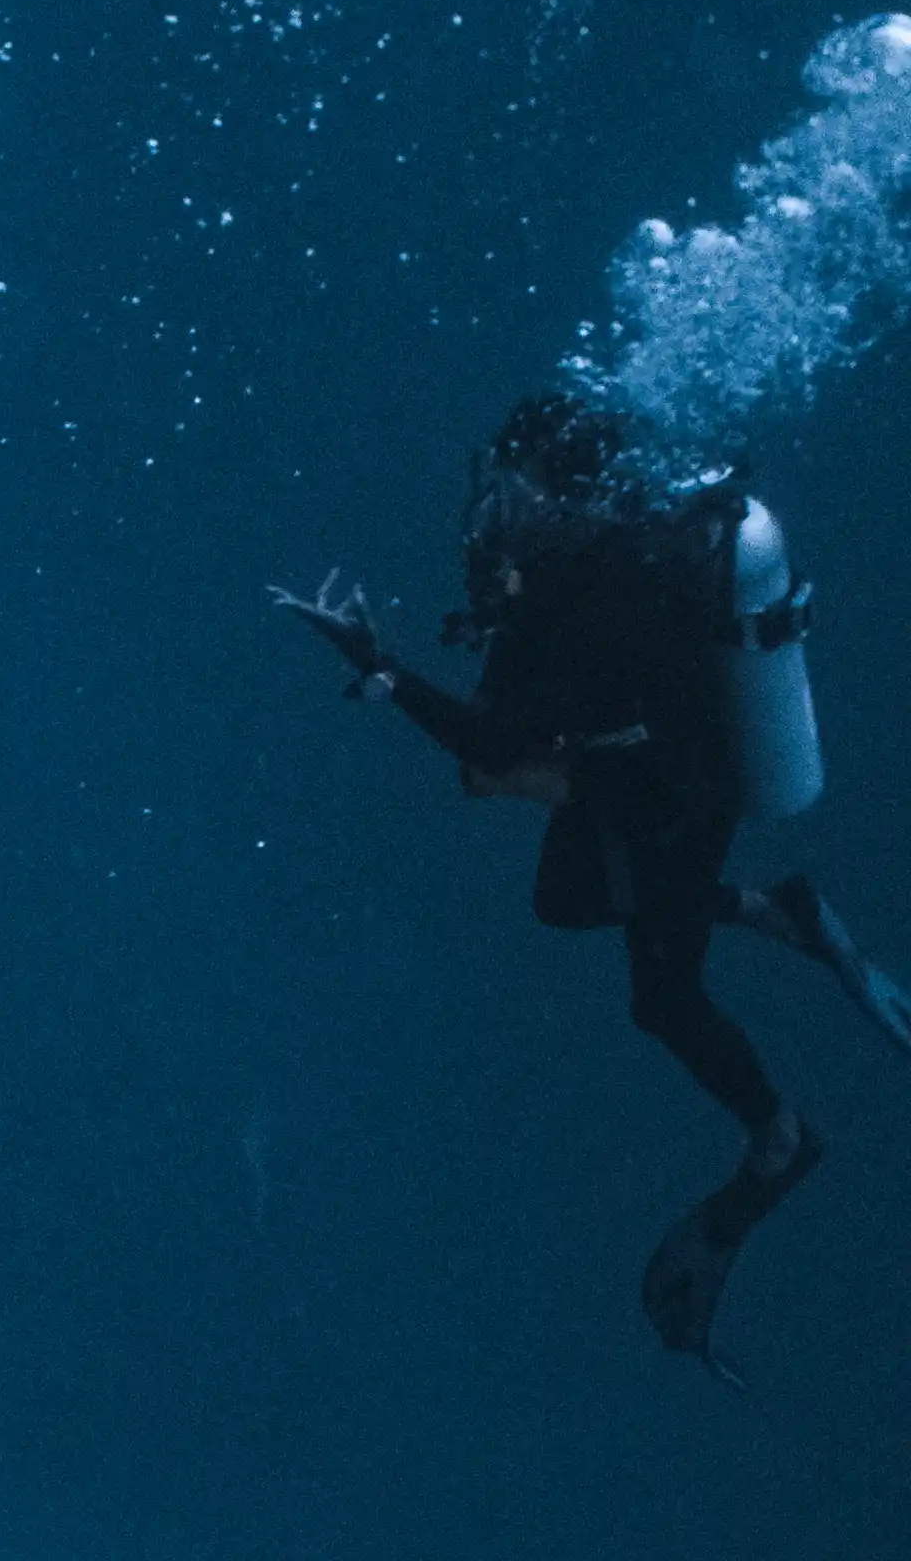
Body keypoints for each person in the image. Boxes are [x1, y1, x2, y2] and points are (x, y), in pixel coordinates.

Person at [288, 391, 897, 1356]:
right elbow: (495, 729)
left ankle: (779, 1123)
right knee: (575, 909)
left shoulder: (603, 577)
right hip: (631, 781)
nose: (492, 493)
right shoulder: (540, 570)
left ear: (554, 485)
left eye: (511, 475)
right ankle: (769, 925)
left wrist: (385, 671)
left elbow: (494, 731)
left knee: (655, 994)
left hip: (678, 796)